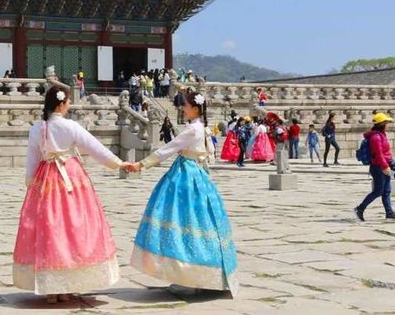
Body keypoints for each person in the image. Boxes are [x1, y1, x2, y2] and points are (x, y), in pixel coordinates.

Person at [13, 82, 124, 303]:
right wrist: (118, 163)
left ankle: (51, 289)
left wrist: (30, 184)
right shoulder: (70, 126)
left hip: (46, 178)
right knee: (73, 227)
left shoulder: (37, 128)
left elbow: (32, 159)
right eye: (68, 101)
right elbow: (94, 148)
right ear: (62, 104)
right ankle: (68, 284)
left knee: (50, 228)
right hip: (70, 177)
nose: (69, 104)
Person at [123, 87, 239, 294]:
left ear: (195, 108)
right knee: (199, 222)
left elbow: (167, 149)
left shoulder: (192, 130)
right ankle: (202, 275)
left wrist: (141, 164)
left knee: (182, 220)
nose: (182, 108)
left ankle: (187, 277)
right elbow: (208, 153)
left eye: (185, 105)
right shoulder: (202, 128)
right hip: (198, 175)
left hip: (185, 176)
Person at [354, 113, 395, 221]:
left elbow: (385, 152)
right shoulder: (376, 137)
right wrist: (385, 167)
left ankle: (389, 212)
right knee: (378, 191)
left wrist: (390, 162)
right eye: (387, 123)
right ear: (382, 124)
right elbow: (378, 154)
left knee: (387, 191)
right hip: (378, 167)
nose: (388, 125)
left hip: (385, 165)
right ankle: (360, 209)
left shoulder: (382, 135)